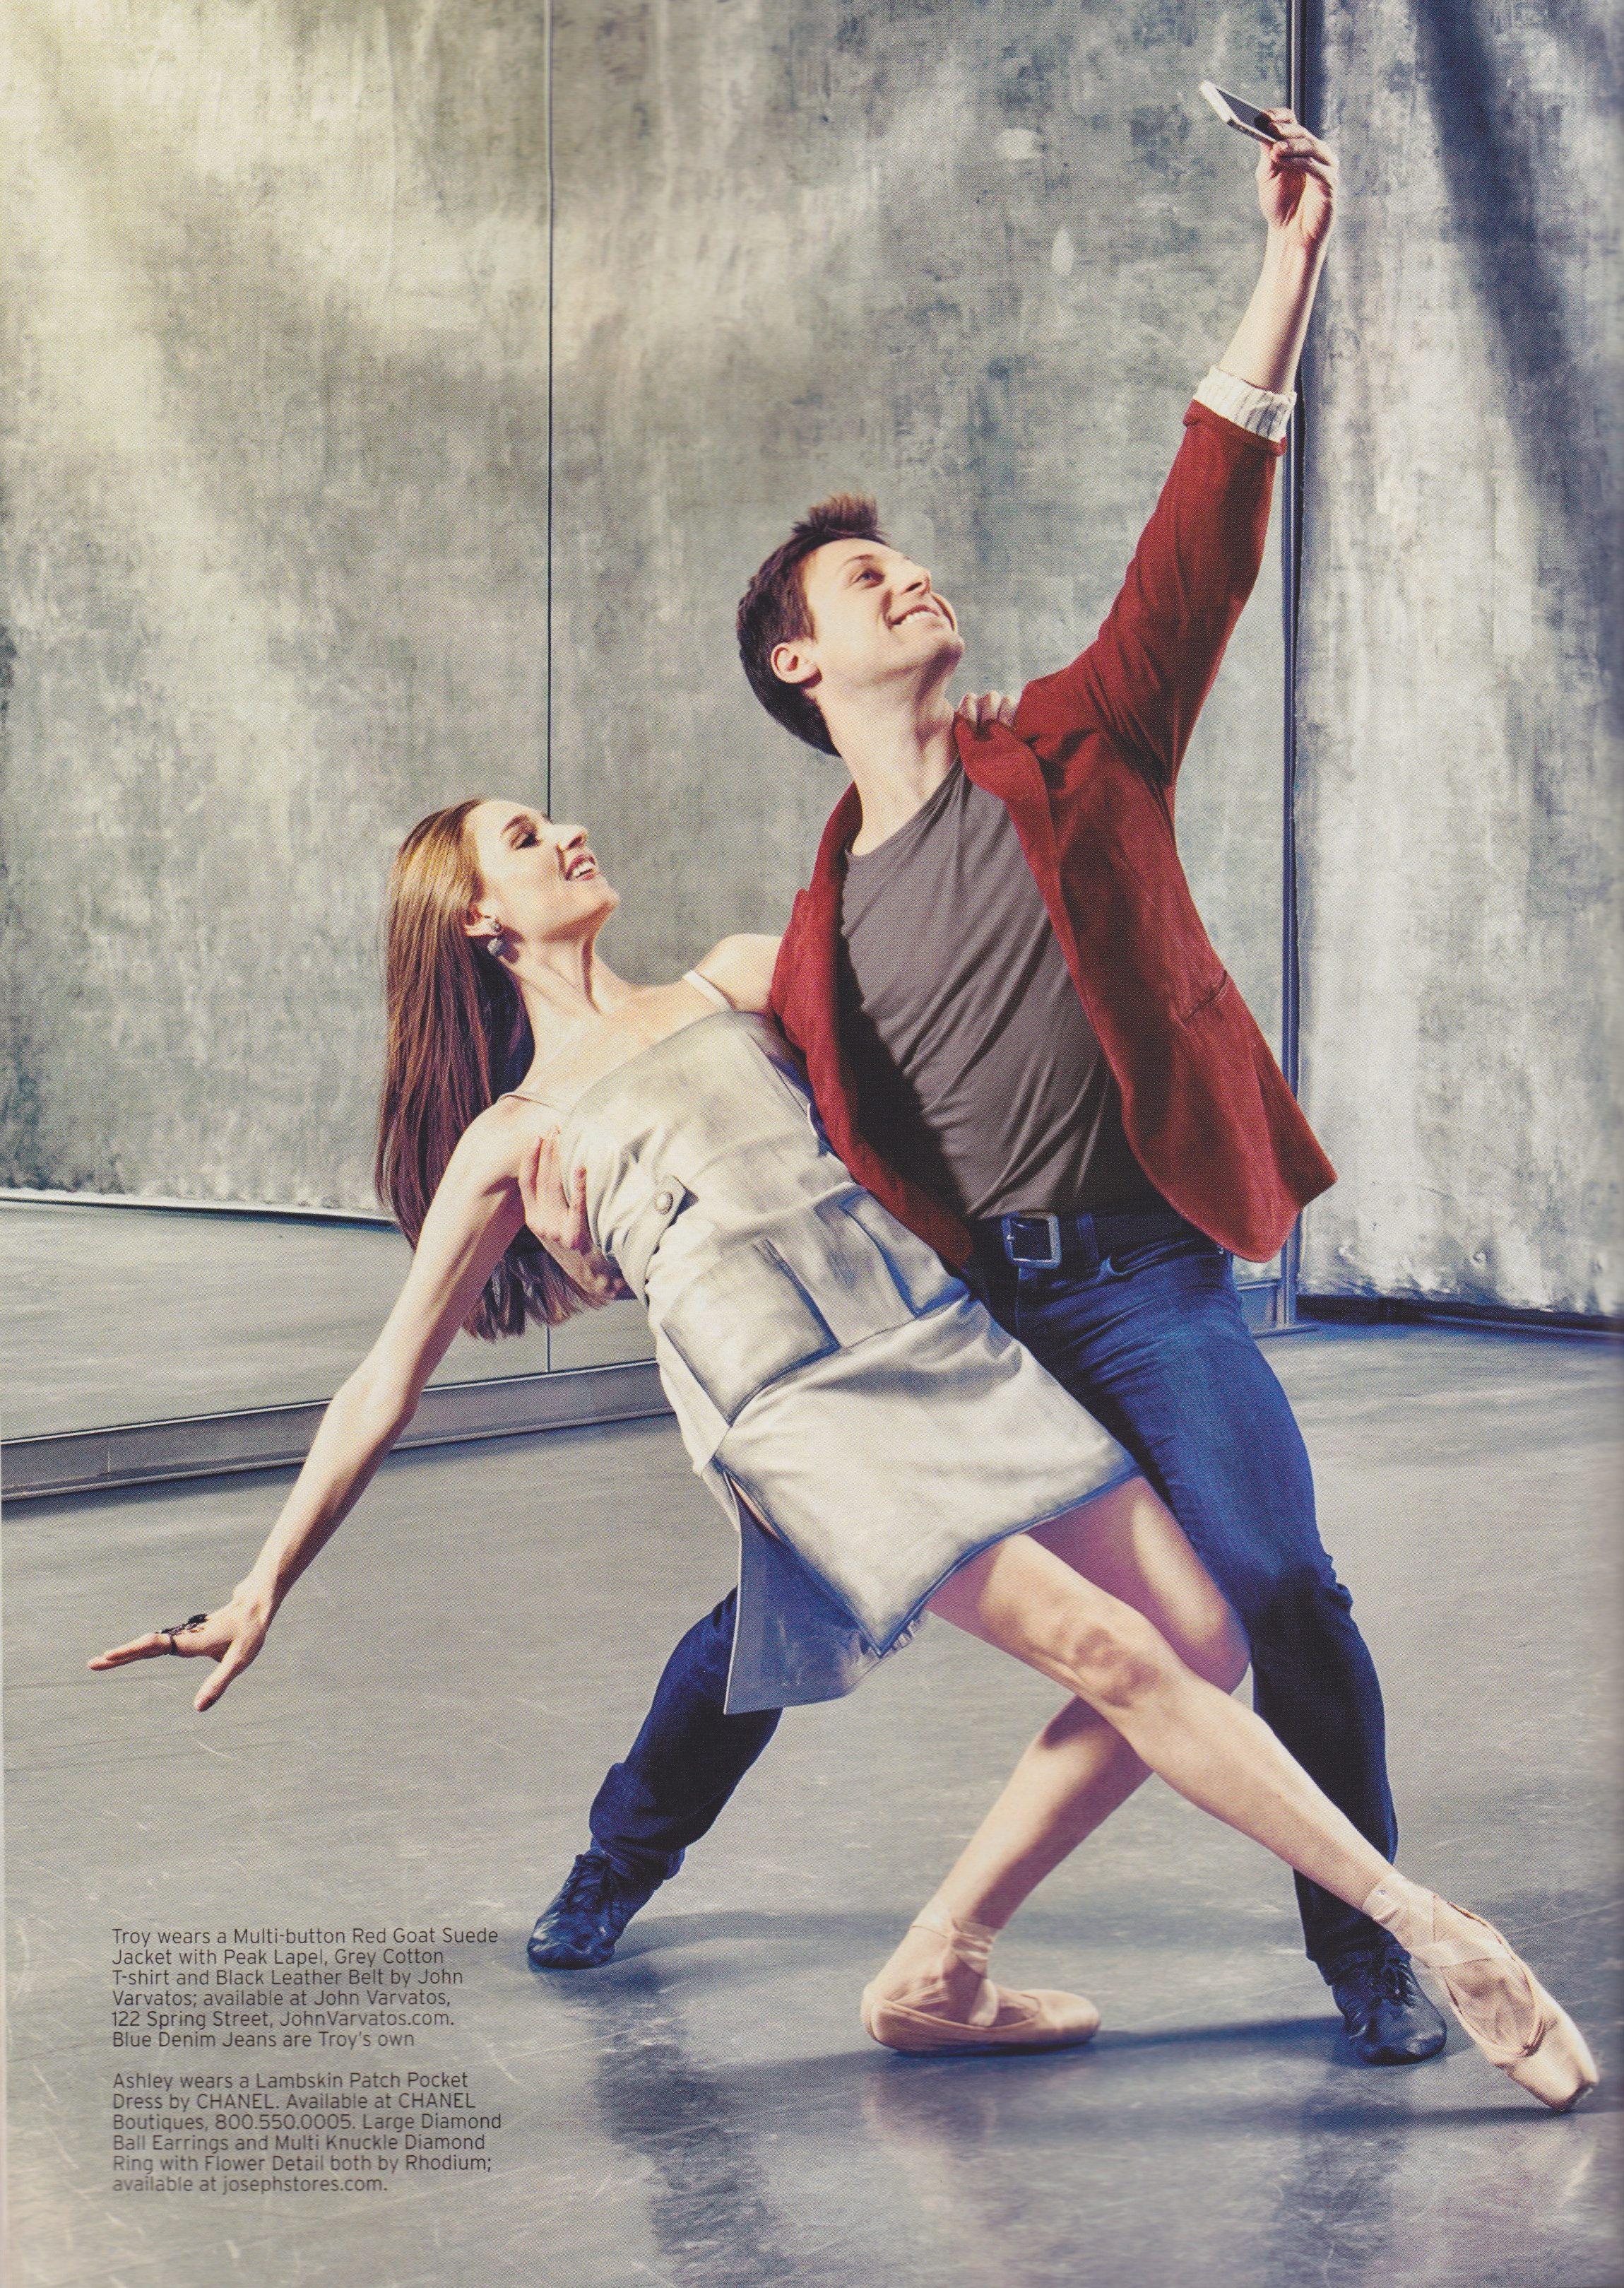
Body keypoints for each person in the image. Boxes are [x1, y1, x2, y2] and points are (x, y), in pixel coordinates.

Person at [90, 791, 1595, 2110]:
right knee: (1112, 1653)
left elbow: (950, 1042)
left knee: (1201, 1634)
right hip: (798, 1410)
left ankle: (941, 1963)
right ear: (476, 915)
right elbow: (385, 1377)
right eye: (526, 836)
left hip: (938, 1337)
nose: (569, 833)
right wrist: (263, 1579)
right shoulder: (513, 1134)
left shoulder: (735, 979)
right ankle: (1432, 1931)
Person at [524, 109, 1444, 2069]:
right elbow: (681, 1108)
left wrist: (1285, 265)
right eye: (867, 576)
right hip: (951, 1326)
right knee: (777, 1604)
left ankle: (1365, 1944)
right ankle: (618, 1854)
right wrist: (577, 1215)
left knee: (1279, 1583)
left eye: (909, 560)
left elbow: (1201, 531)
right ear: (801, 660)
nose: (910, 577)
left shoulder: (1081, 748)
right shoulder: (803, 943)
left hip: (1144, 1282)